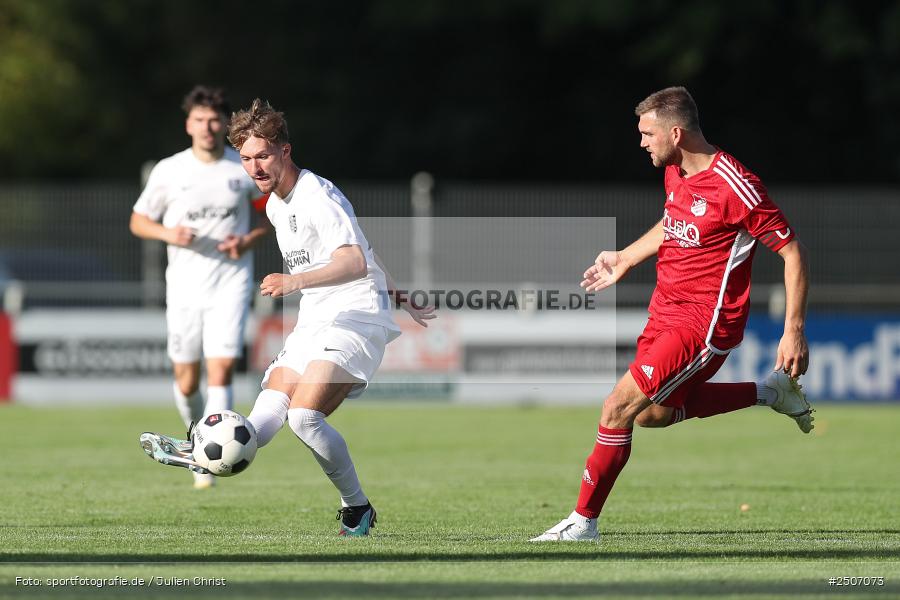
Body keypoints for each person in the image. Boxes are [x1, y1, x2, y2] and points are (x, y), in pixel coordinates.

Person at [140, 99, 435, 536]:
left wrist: (296, 281)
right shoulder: (276, 204)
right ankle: (203, 452)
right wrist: (400, 293)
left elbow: (354, 261)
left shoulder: (317, 196)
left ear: (285, 150)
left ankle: (357, 509)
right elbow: (367, 249)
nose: (254, 168)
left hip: (357, 315)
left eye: (262, 156)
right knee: (270, 408)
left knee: (304, 418)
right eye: (245, 159)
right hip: (317, 318)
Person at [531, 86, 812, 542]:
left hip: (703, 325)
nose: (642, 142)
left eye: (648, 133)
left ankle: (582, 522)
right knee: (652, 415)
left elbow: (792, 251)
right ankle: (769, 393)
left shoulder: (736, 186)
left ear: (675, 133)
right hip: (664, 312)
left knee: (617, 407)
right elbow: (673, 222)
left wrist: (793, 330)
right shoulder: (675, 171)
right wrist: (626, 257)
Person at [130, 86, 271, 489]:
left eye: (214, 120)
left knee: (222, 367)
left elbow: (269, 215)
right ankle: (197, 443)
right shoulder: (170, 171)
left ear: (224, 124)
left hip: (230, 282)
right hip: (185, 288)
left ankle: (206, 461)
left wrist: (246, 240)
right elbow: (139, 221)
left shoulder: (240, 169)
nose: (207, 127)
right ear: (188, 124)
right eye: (199, 120)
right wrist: (169, 233)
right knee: (187, 380)